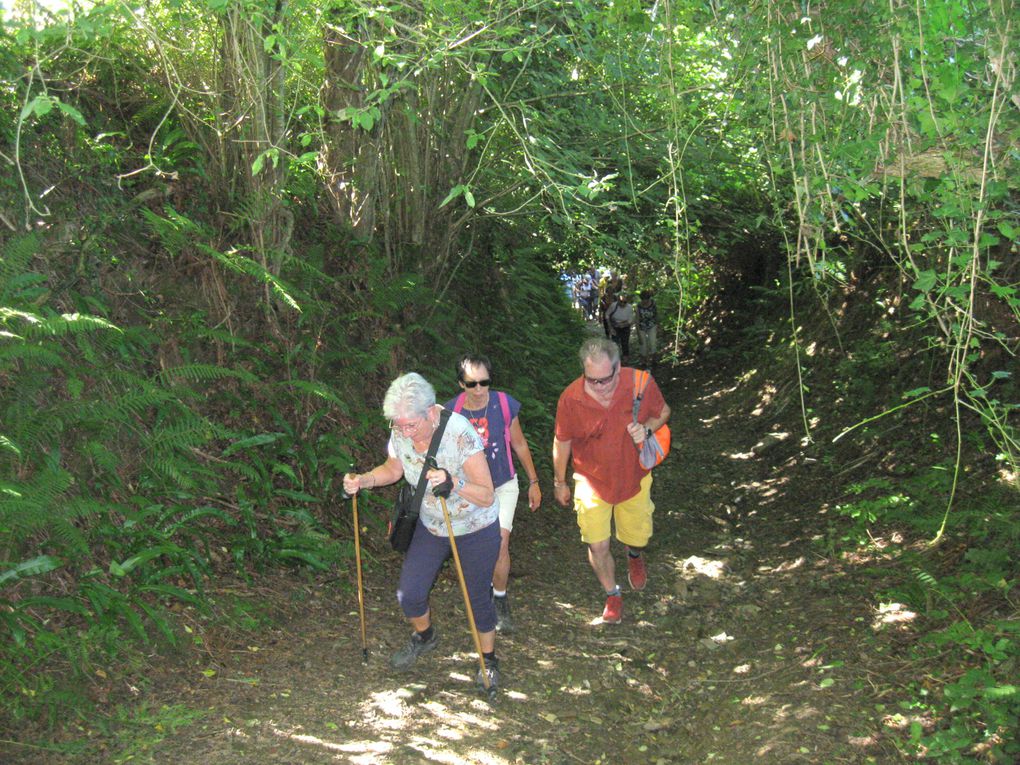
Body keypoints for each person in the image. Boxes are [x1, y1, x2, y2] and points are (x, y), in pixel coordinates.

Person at [342, 372, 501, 689]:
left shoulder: (460, 434)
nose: (404, 432)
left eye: (410, 425)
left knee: (476, 597)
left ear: (431, 413)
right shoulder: (402, 431)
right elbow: (393, 468)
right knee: (410, 594)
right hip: (432, 524)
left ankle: (489, 661)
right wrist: (363, 480)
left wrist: (453, 482)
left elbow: (486, 494)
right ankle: (425, 636)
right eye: (398, 426)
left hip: (474, 526)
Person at [552, 338, 671, 624]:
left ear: (619, 368)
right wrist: (560, 482)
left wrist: (647, 428)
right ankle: (612, 593)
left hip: (634, 478)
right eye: (592, 380)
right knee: (597, 545)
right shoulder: (571, 398)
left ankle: (633, 553)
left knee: (638, 536)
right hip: (591, 481)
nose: (599, 387)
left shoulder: (639, 383)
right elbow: (562, 440)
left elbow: (664, 411)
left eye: (605, 380)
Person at [446, 354, 542, 633]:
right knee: (475, 548)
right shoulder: (451, 412)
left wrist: (533, 481)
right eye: (471, 383)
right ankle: (482, 596)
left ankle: (500, 598)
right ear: (460, 384)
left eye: (484, 382)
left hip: (503, 484)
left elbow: (520, 444)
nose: (478, 389)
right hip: (469, 489)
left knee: (499, 542)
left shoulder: (503, 404)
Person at [606, 293, 635, 360]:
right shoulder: (613, 306)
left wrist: (624, 324)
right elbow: (607, 315)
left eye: (624, 302)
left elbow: (631, 320)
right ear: (618, 301)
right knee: (615, 343)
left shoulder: (630, 307)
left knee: (625, 343)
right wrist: (610, 327)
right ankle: (615, 358)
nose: (622, 304)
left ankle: (625, 358)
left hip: (625, 327)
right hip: (615, 326)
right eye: (621, 302)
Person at [636, 290, 658, 368]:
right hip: (642, 326)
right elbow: (637, 319)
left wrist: (658, 327)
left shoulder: (653, 304)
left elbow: (656, 315)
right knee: (643, 345)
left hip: (652, 325)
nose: (645, 301)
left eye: (646, 299)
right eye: (643, 299)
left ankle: (654, 360)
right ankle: (643, 362)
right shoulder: (639, 306)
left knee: (653, 343)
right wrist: (638, 333)